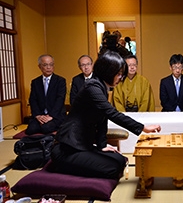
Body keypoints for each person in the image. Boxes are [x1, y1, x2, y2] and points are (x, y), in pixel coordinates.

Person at [51, 50, 161, 179]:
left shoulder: (101, 86)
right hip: (68, 147)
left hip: (84, 144)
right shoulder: (92, 87)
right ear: (108, 71)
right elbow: (111, 113)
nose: (121, 78)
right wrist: (143, 128)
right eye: (119, 74)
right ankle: (63, 167)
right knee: (113, 168)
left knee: (120, 160)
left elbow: (102, 119)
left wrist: (102, 145)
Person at [25, 54, 66, 135]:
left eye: (51, 64)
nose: (48, 67)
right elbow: (33, 99)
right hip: (40, 115)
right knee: (31, 129)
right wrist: (38, 116)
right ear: (39, 66)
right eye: (45, 65)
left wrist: (50, 116)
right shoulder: (35, 82)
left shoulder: (60, 81)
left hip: (55, 115)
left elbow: (60, 99)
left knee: (46, 128)